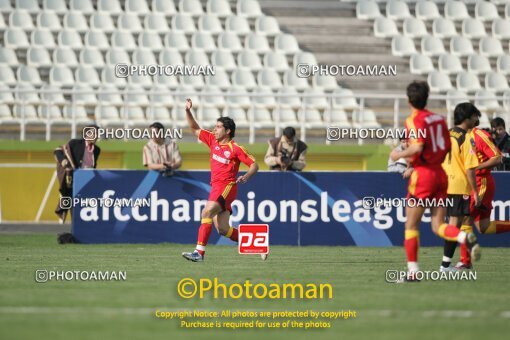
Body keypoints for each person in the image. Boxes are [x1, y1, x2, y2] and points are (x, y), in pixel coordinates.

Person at [390, 81, 479, 282]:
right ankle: (464, 237)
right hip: (441, 175)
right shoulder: (438, 120)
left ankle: (413, 273)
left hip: (424, 176)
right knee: (438, 225)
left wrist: (398, 155)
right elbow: (447, 146)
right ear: (427, 98)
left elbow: (417, 148)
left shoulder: (413, 120)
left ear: (408, 99)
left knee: (411, 225)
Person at [181, 98, 260, 262]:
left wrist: (246, 176)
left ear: (228, 131)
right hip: (216, 187)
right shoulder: (212, 140)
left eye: (218, 127)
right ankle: (258, 244)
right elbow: (194, 128)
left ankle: (199, 253)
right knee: (223, 230)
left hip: (227, 187)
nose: (214, 130)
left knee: (206, 212)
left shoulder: (235, 149)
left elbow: (254, 165)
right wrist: (188, 111)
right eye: (215, 127)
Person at [456, 109, 510, 269]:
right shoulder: (462, 137)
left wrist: (476, 167)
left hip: (482, 183)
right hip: (471, 183)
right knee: (483, 227)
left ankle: (465, 261)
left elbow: (497, 158)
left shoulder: (479, 135)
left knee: (465, 218)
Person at [439, 103, 480, 272]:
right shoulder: (466, 138)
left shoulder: (446, 134)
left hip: (446, 183)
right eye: (475, 116)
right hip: (458, 185)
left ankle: (453, 263)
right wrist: (475, 192)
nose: (477, 119)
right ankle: (445, 266)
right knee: (454, 224)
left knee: (457, 223)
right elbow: (470, 169)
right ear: (467, 118)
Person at [53, 125, 101, 223]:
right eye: (94, 134)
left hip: (87, 179)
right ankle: (67, 218)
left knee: (84, 205)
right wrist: (63, 161)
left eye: (97, 134)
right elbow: (58, 150)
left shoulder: (97, 150)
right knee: (73, 201)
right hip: (75, 178)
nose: (96, 136)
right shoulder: (75, 143)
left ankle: (79, 226)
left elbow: (93, 165)